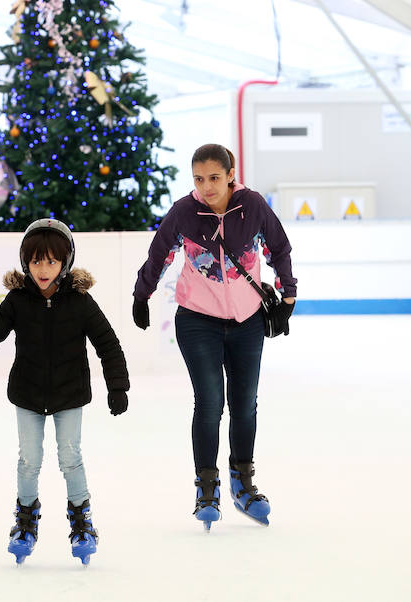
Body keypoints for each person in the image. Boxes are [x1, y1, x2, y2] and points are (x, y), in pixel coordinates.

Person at [131, 143, 297, 531]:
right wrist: (143, 294)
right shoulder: (185, 212)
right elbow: (159, 255)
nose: (206, 187)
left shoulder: (251, 205)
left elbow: (279, 247)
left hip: (248, 320)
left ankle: (243, 483)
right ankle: (207, 487)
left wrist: (288, 294)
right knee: (209, 402)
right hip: (197, 320)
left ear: (231, 173)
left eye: (214, 178)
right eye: (199, 179)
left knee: (244, 404)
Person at [0, 219, 129, 565]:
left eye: (51, 261)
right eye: (35, 261)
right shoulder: (18, 300)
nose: (43, 269)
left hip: (69, 394)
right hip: (29, 394)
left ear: (65, 262)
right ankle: (25, 520)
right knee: (29, 461)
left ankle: (81, 521)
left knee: (70, 457)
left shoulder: (80, 301)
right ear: (25, 262)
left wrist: (117, 386)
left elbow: (108, 344)